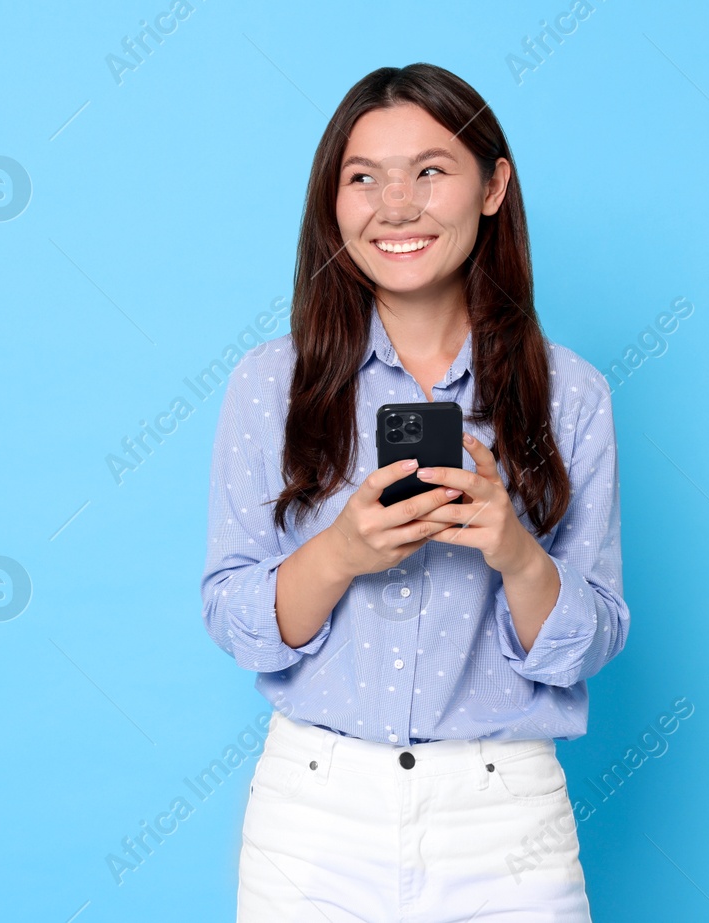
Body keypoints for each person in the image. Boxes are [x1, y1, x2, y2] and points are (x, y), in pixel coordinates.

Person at [200, 63, 629, 922]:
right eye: (364, 178)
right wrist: (341, 553)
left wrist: (514, 551)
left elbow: (592, 640)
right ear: (334, 201)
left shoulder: (571, 395)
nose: (396, 205)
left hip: (506, 821)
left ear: (493, 186)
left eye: (431, 171)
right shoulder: (270, 383)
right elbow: (233, 616)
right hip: (313, 817)